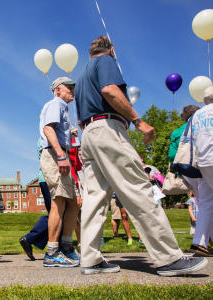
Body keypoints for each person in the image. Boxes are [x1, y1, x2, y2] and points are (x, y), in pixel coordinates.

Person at [74, 36, 207, 276]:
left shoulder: (82, 75)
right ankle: (168, 258)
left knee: (94, 197)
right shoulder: (105, 60)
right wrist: (138, 121)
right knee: (138, 188)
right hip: (107, 128)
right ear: (111, 49)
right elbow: (109, 90)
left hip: (88, 134)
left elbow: (80, 115)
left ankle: (90, 259)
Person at [39, 77, 79, 268]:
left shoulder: (63, 108)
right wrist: (61, 155)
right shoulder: (56, 103)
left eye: (73, 88)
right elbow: (48, 129)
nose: (72, 90)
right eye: (68, 88)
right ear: (57, 91)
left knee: (73, 202)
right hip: (55, 155)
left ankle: (66, 247)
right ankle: (52, 253)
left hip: (62, 154)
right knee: (59, 200)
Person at [188, 88, 213, 257]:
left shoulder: (196, 115)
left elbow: (190, 139)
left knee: (206, 202)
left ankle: (199, 242)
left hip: (203, 161)